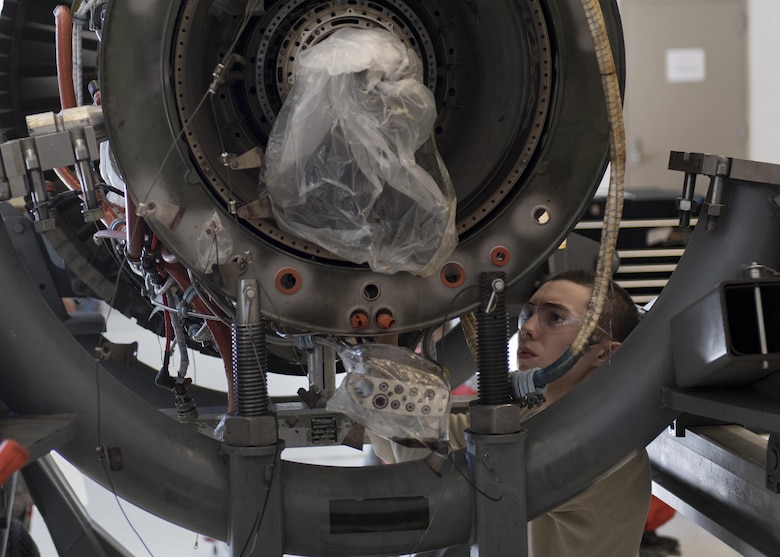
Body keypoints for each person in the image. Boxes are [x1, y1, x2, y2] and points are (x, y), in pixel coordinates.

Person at [370, 269, 652, 556]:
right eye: (528, 314)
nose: (527, 327)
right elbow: (399, 444)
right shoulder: (535, 416)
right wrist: (380, 343)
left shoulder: (598, 444)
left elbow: (434, 487)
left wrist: (383, 348)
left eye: (555, 317)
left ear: (604, 353)